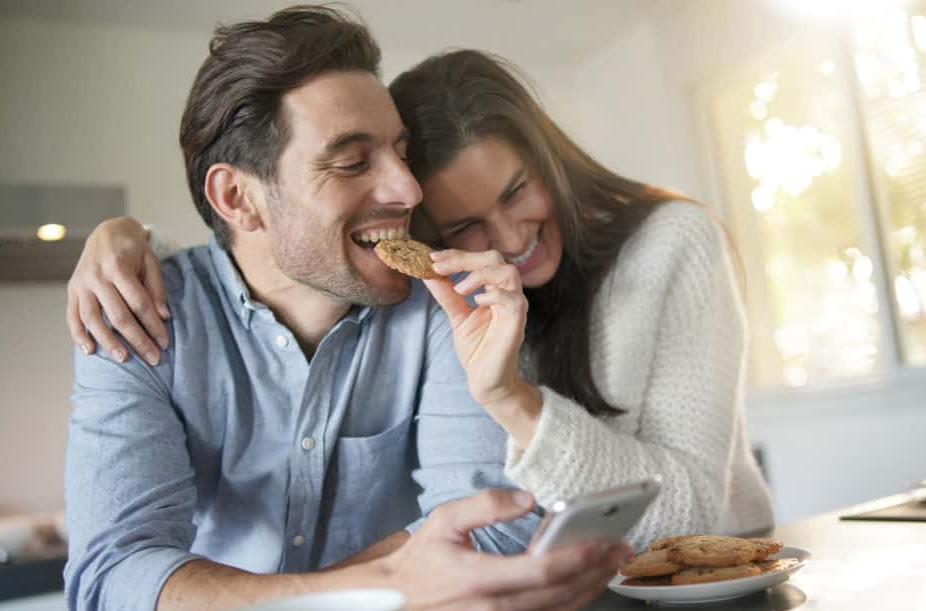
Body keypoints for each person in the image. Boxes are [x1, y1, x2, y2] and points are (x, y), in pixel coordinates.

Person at [62, 7, 632, 611]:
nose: (408, 188)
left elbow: (493, 530)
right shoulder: (131, 309)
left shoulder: (444, 307)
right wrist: (385, 589)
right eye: (353, 160)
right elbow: (112, 586)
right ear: (239, 199)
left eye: (400, 152)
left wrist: (222, 602)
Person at [68, 45, 775, 552]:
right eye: (464, 223)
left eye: (517, 190)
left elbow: (687, 516)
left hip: (710, 575)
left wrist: (514, 402)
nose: (507, 240)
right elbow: (277, 247)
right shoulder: (435, 288)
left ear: (550, 158)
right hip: (576, 600)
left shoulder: (670, 243)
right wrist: (125, 236)